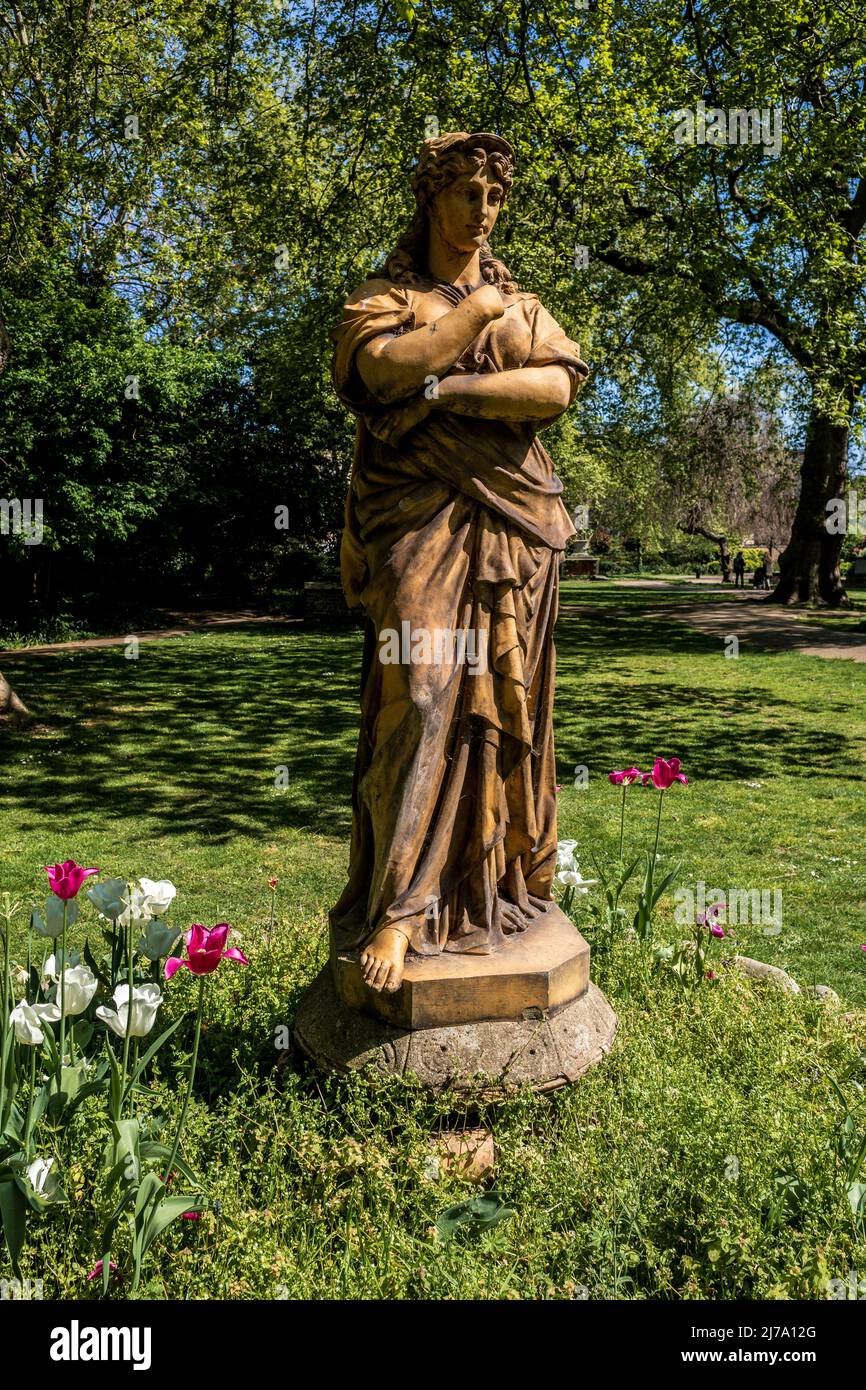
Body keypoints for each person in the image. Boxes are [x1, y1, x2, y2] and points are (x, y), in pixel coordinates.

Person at [329, 132, 588, 993]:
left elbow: (554, 388)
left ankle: (482, 890)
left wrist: (451, 390)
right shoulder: (386, 296)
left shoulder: (516, 302)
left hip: (514, 527)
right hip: (414, 521)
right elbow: (382, 369)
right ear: (431, 199)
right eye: (465, 194)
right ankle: (399, 910)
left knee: (504, 713)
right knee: (426, 694)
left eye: (493, 197)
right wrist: (470, 321)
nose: (481, 212)